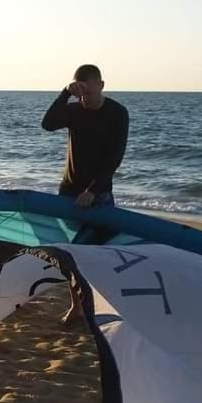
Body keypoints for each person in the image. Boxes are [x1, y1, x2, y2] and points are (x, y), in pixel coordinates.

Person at [41, 64, 129, 324]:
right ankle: (77, 304)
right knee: (70, 253)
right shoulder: (73, 109)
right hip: (69, 192)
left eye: (89, 92)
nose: (85, 98)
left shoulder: (117, 113)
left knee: (98, 253)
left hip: (99, 194)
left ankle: (99, 305)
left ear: (101, 85)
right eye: (81, 93)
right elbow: (47, 124)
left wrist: (93, 190)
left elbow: (115, 157)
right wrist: (64, 94)